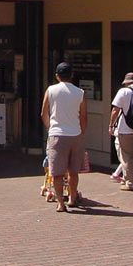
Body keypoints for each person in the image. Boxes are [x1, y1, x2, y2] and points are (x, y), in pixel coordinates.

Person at [41, 62, 87, 213]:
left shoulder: (51, 90)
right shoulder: (80, 92)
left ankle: (61, 203)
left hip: (57, 135)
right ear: (72, 75)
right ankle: (72, 199)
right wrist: (81, 132)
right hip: (75, 135)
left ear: (57, 76)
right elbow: (83, 116)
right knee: (74, 171)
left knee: (57, 172)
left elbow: (43, 112)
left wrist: (50, 128)